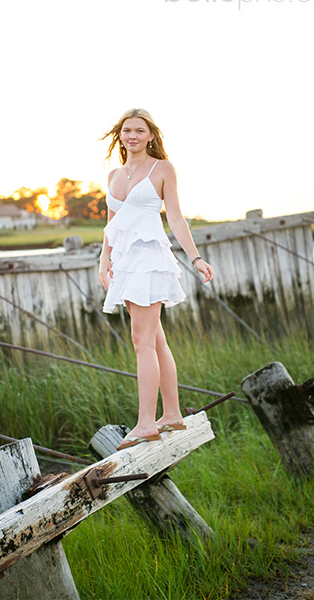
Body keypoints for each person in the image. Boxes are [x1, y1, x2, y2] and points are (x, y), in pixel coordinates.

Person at [97, 108, 214, 451]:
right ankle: (173, 414)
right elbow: (112, 224)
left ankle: (146, 423)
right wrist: (104, 259)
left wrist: (195, 257)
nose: (132, 136)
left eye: (139, 130)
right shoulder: (114, 175)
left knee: (141, 341)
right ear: (120, 135)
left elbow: (176, 219)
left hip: (150, 258)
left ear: (150, 135)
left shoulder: (162, 169)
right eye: (127, 130)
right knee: (155, 340)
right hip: (126, 261)